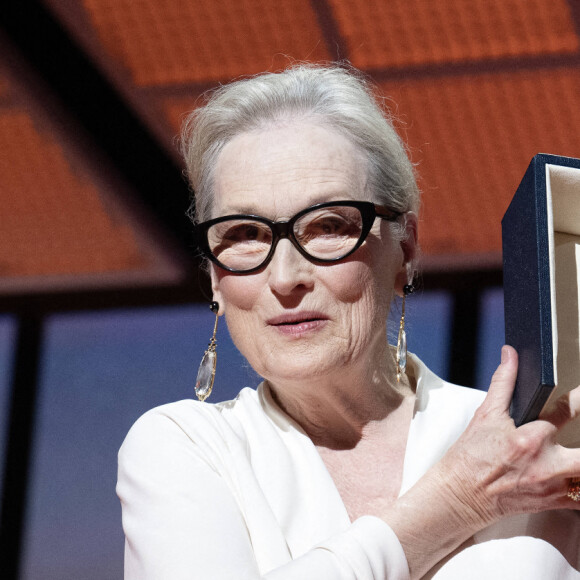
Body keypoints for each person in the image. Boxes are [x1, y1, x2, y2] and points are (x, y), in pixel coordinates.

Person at [116, 64, 580, 579]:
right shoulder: (183, 447)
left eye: (329, 225)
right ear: (215, 280)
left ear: (404, 248)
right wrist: (459, 497)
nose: (285, 277)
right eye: (244, 234)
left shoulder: (536, 443)